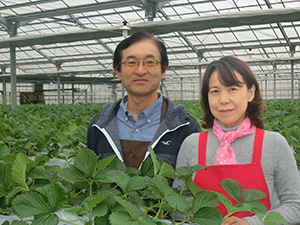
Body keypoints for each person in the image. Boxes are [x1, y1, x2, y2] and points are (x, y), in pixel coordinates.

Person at [173, 56, 300, 225]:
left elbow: (295, 205)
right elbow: (177, 206)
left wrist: (251, 222)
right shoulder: (192, 145)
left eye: (232, 89)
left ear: (250, 93)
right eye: (215, 91)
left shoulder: (273, 144)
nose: (223, 100)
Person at [87, 30, 201, 170]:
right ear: (118, 71)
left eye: (150, 62)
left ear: (163, 70)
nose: (140, 70)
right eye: (131, 62)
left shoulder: (186, 128)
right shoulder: (99, 126)